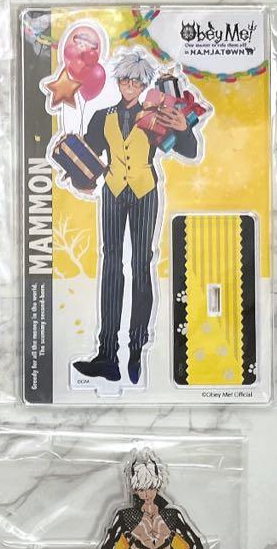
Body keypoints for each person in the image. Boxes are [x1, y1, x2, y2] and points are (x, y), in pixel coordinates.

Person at [72, 48, 201, 385]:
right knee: (111, 266)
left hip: (145, 191)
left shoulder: (156, 115)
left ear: (145, 85)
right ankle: (107, 354)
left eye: (136, 81)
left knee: (141, 265)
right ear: (117, 81)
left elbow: (189, 151)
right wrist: (76, 170)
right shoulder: (101, 116)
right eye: (125, 80)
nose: (129, 85)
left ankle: (137, 349)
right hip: (113, 191)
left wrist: (184, 129)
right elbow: (88, 156)